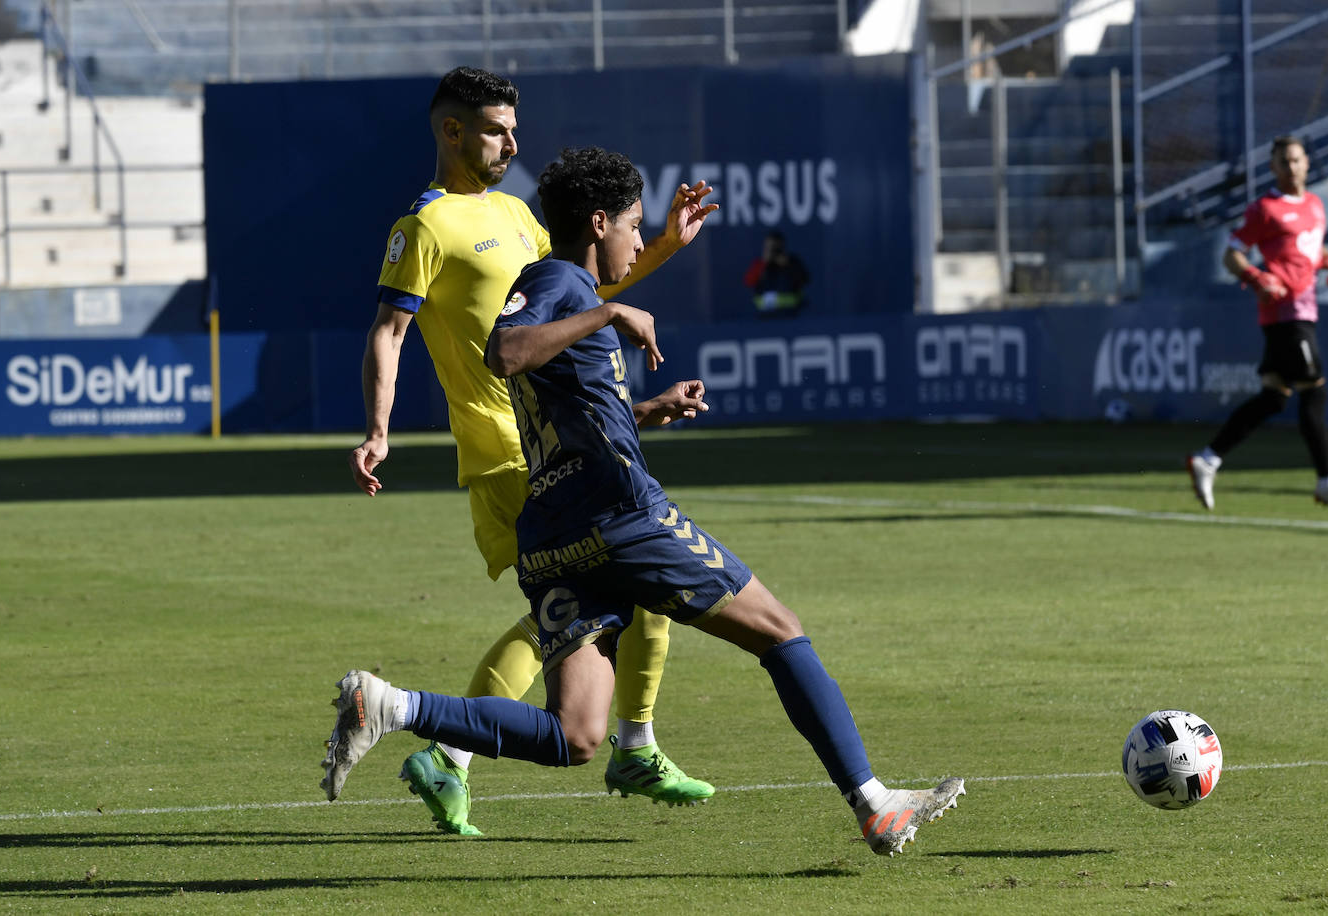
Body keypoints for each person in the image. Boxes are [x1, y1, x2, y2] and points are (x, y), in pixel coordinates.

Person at [322, 146, 966, 857]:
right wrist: (610, 314)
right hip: (621, 518)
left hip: (556, 534)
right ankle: (873, 803)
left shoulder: (563, 288)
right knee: (780, 631)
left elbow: (563, 400)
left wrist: (648, 407)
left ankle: (389, 705)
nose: (636, 237)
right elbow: (504, 352)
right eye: (631, 224)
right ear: (598, 223)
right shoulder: (561, 284)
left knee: (573, 736)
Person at [339, 67, 721, 834]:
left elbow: (579, 294)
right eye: (494, 128)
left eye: (514, 126)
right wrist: (378, 428)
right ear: (451, 132)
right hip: (506, 456)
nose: (512, 140)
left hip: (558, 439)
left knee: (609, 603)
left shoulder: (518, 213)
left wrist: (664, 251)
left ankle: (462, 756)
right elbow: (389, 331)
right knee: (612, 598)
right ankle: (621, 747)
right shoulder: (425, 225)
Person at [1186, 135, 1328, 513]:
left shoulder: (1315, 205)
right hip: (1286, 314)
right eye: (1284, 162)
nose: (1292, 167)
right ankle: (1327, 481)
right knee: (1314, 391)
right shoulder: (1265, 209)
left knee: (1273, 398)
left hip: (1306, 309)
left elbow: (1312, 251)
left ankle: (1208, 459)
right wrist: (1254, 276)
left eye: (1297, 160)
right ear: (1273, 168)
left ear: (1307, 164)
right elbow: (1232, 254)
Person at [743, 230, 809, 315]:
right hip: (764, 314)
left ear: (783, 245)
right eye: (770, 247)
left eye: (776, 247)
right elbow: (748, 282)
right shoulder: (760, 263)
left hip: (790, 313)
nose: (774, 250)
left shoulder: (792, 262)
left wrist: (787, 266)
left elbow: (804, 279)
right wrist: (763, 264)